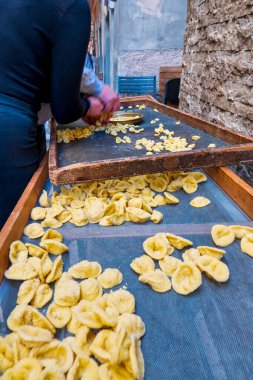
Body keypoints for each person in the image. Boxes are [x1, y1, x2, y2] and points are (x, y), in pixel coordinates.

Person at [0, 0, 119, 229]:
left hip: (17, 114)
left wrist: (92, 90)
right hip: (8, 125)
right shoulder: (73, 6)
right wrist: (88, 108)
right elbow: (64, 107)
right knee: (16, 234)